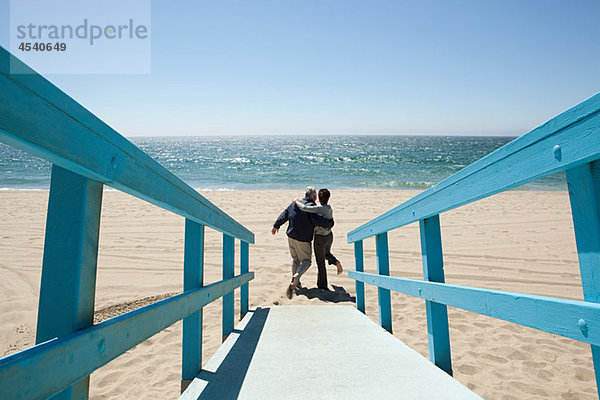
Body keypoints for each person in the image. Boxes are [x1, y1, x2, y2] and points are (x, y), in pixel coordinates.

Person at [272, 186, 334, 299]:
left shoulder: (294, 204)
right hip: (303, 238)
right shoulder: (311, 207)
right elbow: (319, 221)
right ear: (314, 197)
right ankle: (296, 277)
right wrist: (330, 223)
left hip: (290, 236)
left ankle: (296, 282)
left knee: (295, 259)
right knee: (307, 261)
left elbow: (285, 214)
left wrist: (276, 225)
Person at [294, 188, 343, 290]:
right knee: (327, 254)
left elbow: (304, 208)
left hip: (320, 238)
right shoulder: (329, 208)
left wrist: (295, 201)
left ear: (319, 199)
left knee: (320, 263)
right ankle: (336, 261)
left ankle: (323, 286)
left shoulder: (319, 208)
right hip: (329, 236)